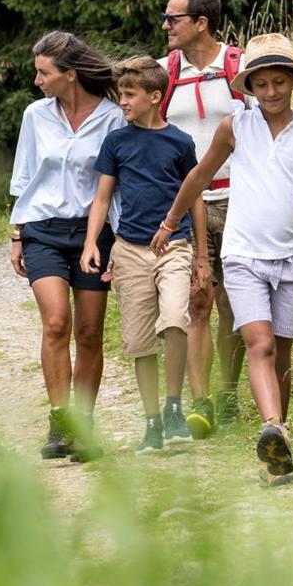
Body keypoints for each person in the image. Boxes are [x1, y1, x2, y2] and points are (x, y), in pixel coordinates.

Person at [152, 34, 293, 485]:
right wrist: (170, 220)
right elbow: (199, 174)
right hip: (242, 256)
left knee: (283, 357)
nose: (272, 92)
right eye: (262, 84)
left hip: (289, 258)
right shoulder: (236, 127)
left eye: (280, 82)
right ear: (249, 88)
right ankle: (270, 427)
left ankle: (279, 443)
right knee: (261, 344)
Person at [8, 30, 125, 461]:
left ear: (70, 74)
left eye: (44, 72)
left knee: (90, 331)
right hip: (43, 229)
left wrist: (118, 242)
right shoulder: (35, 115)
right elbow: (23, 178)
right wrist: (18, 233)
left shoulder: (113, 118)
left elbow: (116, 186)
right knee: (56, 322)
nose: (37, 80)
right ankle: (60, 419)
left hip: (93, 234)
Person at [79, 58, 205, 454]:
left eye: (130, 95)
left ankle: (173, 407)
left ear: (155, 97)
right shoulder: (117, 142)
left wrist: (201, 254)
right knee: (138, 341)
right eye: (121, 96)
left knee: (174, 319)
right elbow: (102, 198)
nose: (123, 103)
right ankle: (153, 422)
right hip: (129, 250)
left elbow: (195, 198)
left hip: (174, 246)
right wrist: (90, 243)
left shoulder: (181, 142)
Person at [158, 0, 245, 438]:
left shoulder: (241, 67)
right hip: (186, 204)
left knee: (233, 301)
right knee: (197, 301)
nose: (165, 25)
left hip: (237, 200)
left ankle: (229, 393)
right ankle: (202, 401)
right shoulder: (162, 72)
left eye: (173, 18)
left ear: (201, 23)